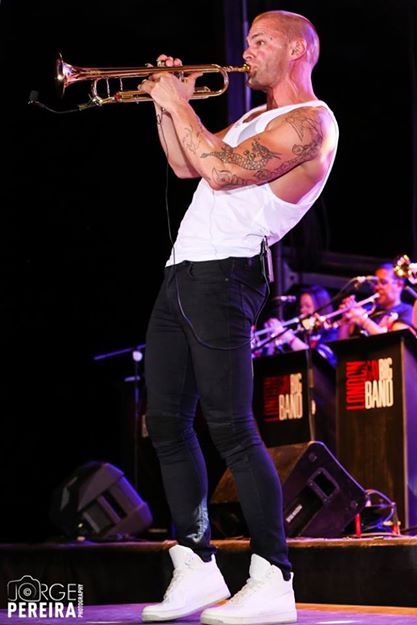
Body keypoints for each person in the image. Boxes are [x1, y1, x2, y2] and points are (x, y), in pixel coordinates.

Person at [140, 10, 339, 625]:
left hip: (227, 275)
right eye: (247, 40)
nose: (246, 51)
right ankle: (197, 565)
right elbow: (186, 164)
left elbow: (222, 170)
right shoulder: (253, 116)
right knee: (167, 425)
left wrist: (182, 104)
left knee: (231, 426)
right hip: (183, 272)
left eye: (260, 41)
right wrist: (166, 109)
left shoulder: (311, 121)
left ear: (297, 50)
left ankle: (274, 576)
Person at [255, 285, 337, 363]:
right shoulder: (300, 334)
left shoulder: (330, 332)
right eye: (301, 306)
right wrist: (272, 341)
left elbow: (319, 359)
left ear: (320, 307)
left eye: (307, 306)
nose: (302, 310)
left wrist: (289, 337)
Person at [337, 262, 416, 339]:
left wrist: (363, 320)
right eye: (375, 283)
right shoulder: (367, 309)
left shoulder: (407, 310)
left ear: (399, 285)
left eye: (383, 282)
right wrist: (345, 321)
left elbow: (395, 340)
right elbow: (342, 342)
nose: (377, 287)